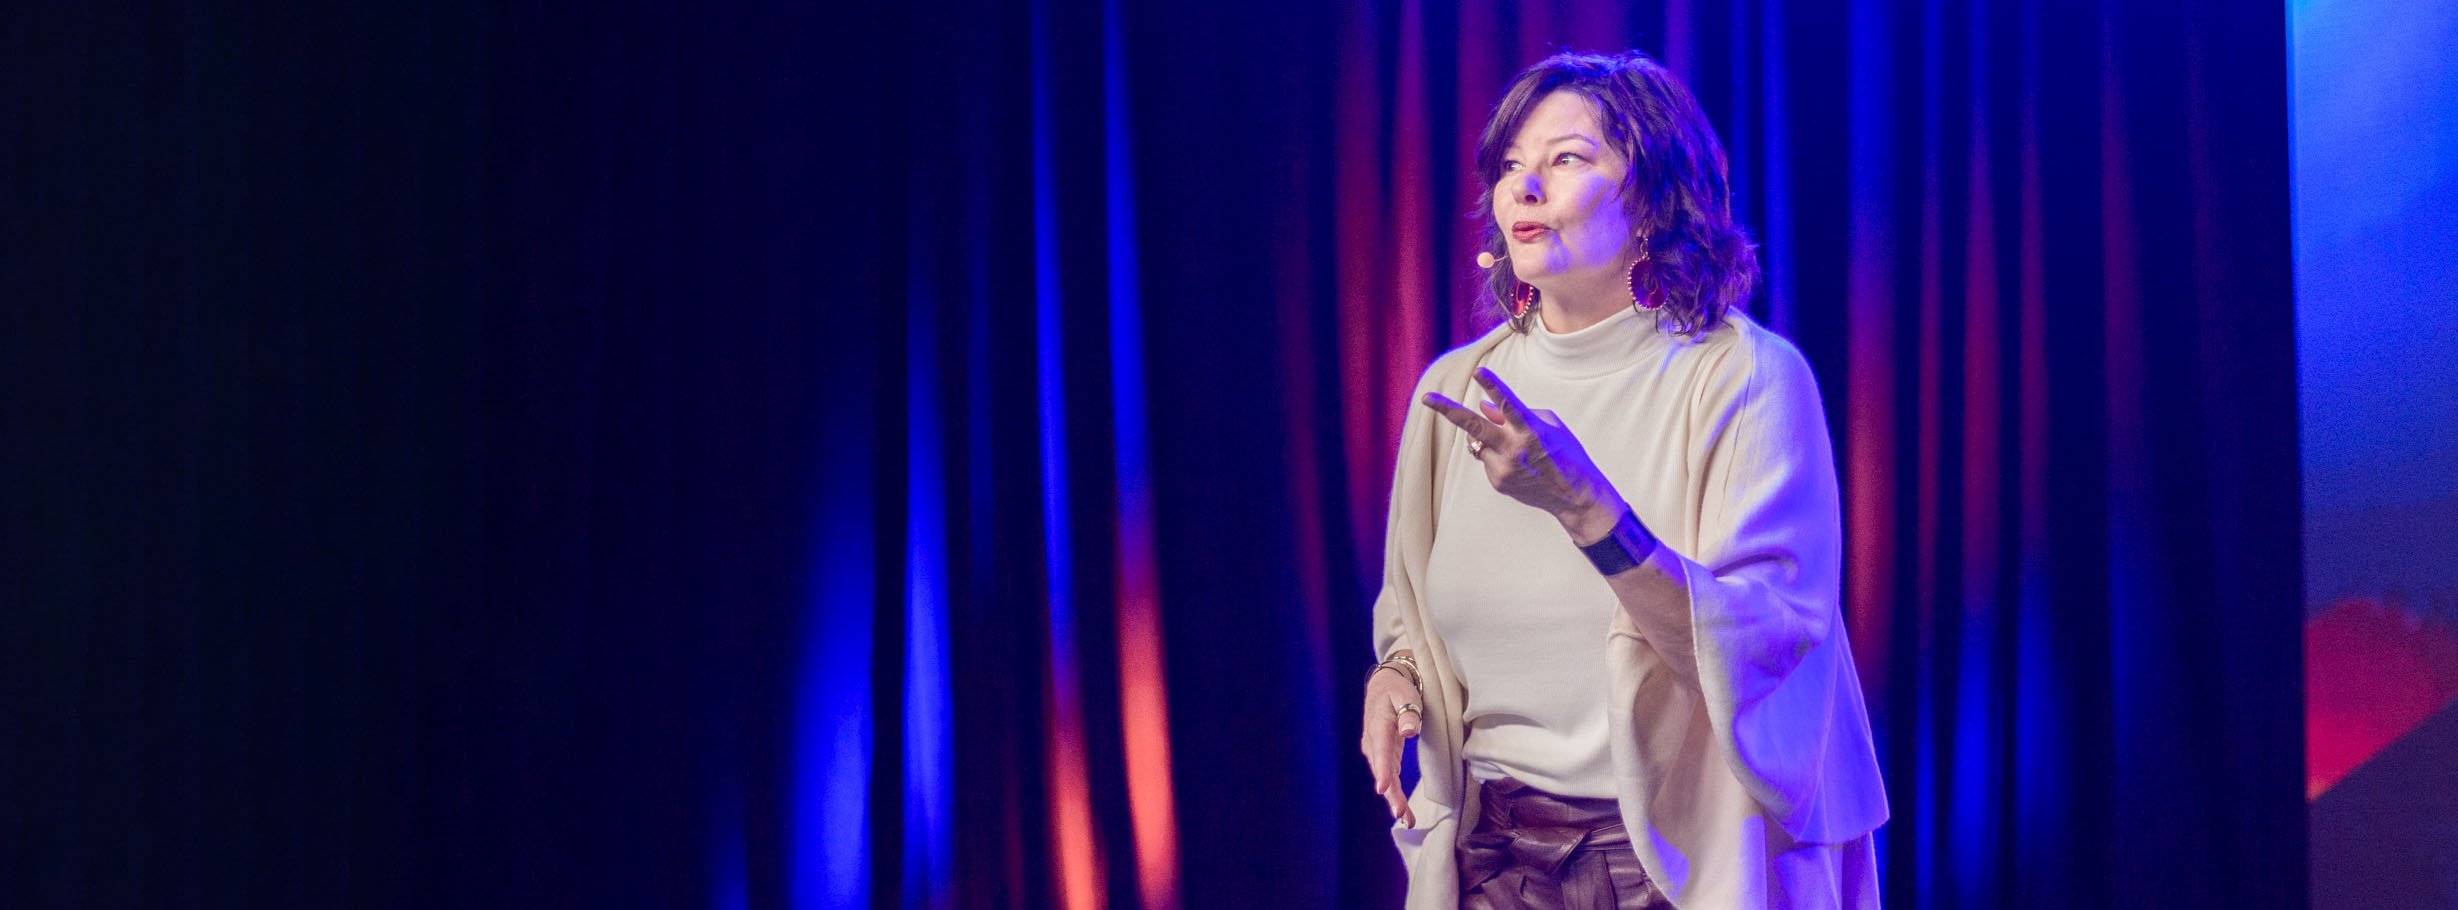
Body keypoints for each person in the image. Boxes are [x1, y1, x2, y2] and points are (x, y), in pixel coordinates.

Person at [1358, 51, 1888, 909]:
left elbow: (1764, 653)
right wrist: (1398, 677)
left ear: (1651, 197)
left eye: (1566, 158)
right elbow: (1410, 609)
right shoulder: (1454, 389)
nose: (1523, 187)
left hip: (1681, 865)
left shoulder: (1742, 379)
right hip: (1493, 863)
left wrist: (1590, 512)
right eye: (1510, 165)